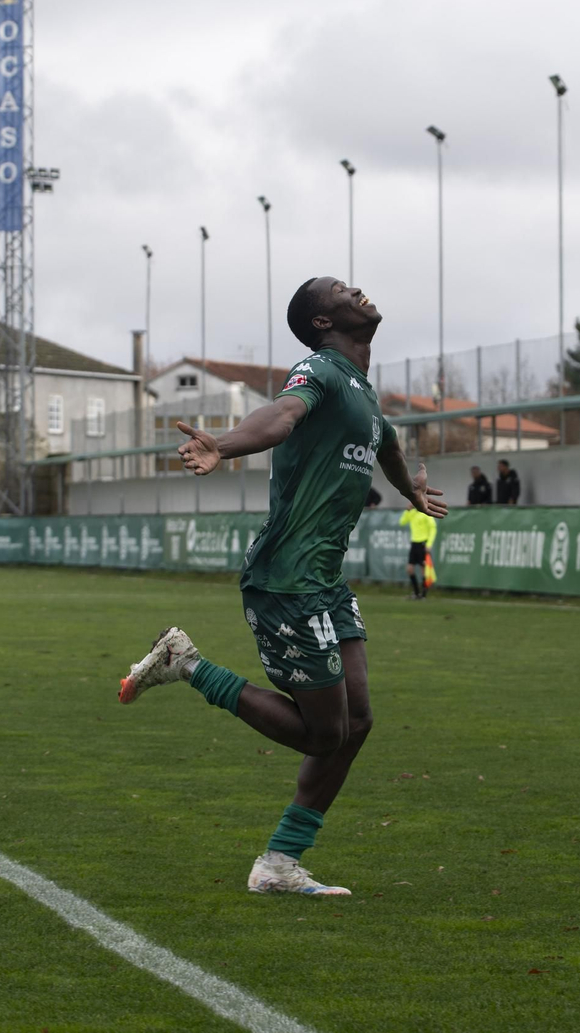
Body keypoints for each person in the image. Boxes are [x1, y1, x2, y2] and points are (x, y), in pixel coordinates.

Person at [117, 276, 446, 898]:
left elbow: (389, 444)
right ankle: (186, 665)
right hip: (287, 577)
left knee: (359, 721)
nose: (358, 289)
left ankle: (279, 864)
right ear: (323, 322)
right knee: (326, 734)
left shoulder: (363, 393)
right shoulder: (316, 371)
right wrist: (226, 444)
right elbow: (279, 418)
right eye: (341, 290)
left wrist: (409, 489)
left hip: (324, 580)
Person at [399, 506, 437, 599]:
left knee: (423, 569)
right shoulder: (412, 512)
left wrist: (429, 544)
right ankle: (416, 592)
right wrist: (407, 510)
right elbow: (402, 522)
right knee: (410, 569)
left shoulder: (426, 512)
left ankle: (423, 594)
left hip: (423, 543)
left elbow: (433, 528)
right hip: (414, 543)